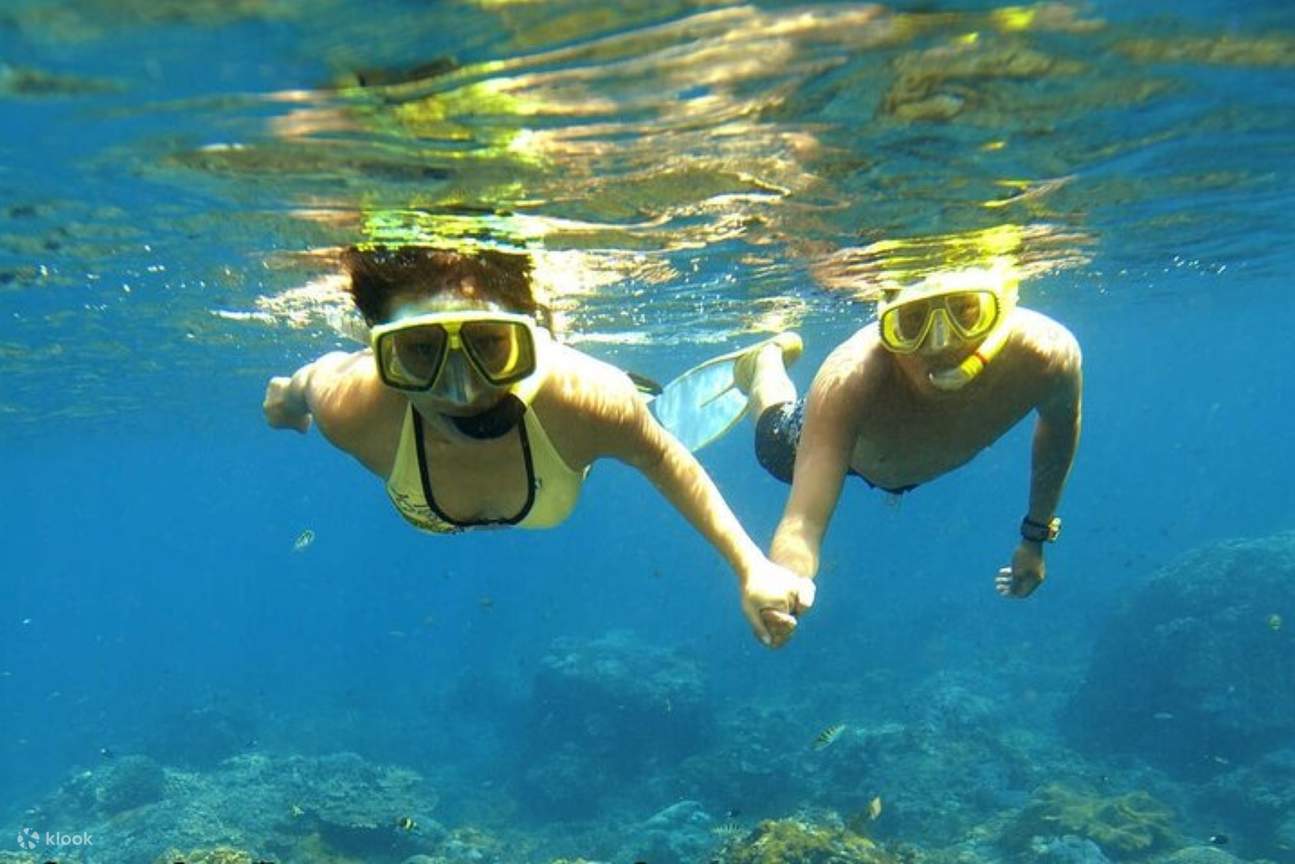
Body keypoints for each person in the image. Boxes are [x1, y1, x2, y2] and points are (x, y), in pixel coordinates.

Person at [262, 245, 814, 646]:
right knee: (633, 427)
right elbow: (315, 379)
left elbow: (663, 455)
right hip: (570, 443)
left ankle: (751, 372)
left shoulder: (586, 400)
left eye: (490, 347)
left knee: (642, 426)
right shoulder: (351, 407)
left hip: (580, 423)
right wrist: (289, 396)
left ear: (532, 339)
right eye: (421, 353)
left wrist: (751, 567)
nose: (463, 391)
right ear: (380, 353)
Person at [734, 266, 1082, 647]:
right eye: (912, 322)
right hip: (851, 450)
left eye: (966, 312)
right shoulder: (850, 377)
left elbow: (1059, 431)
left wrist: (1035, 536)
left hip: (900, 454)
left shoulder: (1049, 357)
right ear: (886, 325)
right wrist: (787, 581)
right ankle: (765, 361)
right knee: (773, 440)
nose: (941, 344)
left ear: (1002, 309)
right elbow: (803, 521)